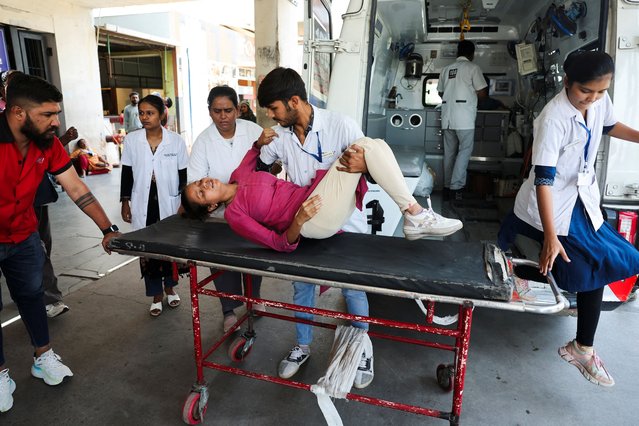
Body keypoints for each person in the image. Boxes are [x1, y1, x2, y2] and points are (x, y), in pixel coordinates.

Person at [498, 51, 639, 387]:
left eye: (601, 91)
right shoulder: (553, 118)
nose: (592, 99)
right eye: (585, 91)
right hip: (551, 203)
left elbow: (608, 125)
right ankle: (582, 348)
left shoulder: (598, 102)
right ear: (567, 82)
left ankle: (581, 347)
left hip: (581, 198)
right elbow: (544, 180)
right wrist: (550, 234)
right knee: (593, 262)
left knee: (604, 263)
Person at [0, 73, 120, 413]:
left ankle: (43, 357)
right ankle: (0, 374)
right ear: (19, 112)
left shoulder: (47, 144)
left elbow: (78, 189)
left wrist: (107, 229)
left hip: (24, 235)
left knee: (33, 296)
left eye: (57, 113)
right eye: (48, 115)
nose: (57, 122)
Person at [188, 86, 265, 333]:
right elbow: (196, 182)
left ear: (238, 109)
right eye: (217, 111)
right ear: (209, 111)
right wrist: (223, 196)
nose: (223, 116)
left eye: (228, 110)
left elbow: (271, 162)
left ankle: (254, 299)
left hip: (254, 209)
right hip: (219, 217)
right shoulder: (203, 141)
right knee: (223, 262)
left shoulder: (254, 131)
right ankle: (229, 310)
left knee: (253, 257)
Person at [120, 94, 188, 317]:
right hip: (143, 201)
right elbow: (127, 172)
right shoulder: (132, 140)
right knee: (147, 249)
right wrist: (125, 201)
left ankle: (170, 287)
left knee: (168, 246)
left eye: (150, 113)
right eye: (141, 113)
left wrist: (185, 204)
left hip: (169, 201)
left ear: (161, 114)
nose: (144, 117)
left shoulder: (175, 141)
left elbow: (183, 176)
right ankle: (155, 294)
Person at [437, 40, 487, 201]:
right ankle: (456, 188)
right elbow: (482, 93)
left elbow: (441, 92)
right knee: (464, 152)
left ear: (458, 53)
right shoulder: (473, 68)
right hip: (464, 119)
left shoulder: (446, 69)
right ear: (471, 54)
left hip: (447, 117)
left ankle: (446, 187)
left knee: (449, 153)